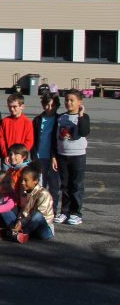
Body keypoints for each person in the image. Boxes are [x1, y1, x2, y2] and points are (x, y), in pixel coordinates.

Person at [56, 89, 91, 226]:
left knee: (76, 185)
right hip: (62, 155)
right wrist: (54, 155)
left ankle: (76, 213)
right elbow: (56, 137)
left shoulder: (84, 117)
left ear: (79, 102)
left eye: (72, 100)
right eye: (66, 100)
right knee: (64, 185)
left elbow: (84, 131)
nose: (68, 103)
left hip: (78, 155)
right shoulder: (61, 117)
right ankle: (65, 211)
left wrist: (81, 115)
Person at [31, 93, 61, 215]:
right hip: (39, 156)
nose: (50, 108)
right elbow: (33, 138)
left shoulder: (59, 119)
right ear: (43, 105)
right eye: (47, 105)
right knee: (40, 186)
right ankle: (40, 209)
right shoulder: (38, 120)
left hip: (53, 158)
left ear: (57, 106)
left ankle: (53, 209)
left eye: (53, 105)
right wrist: (33, 155)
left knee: (54, 186)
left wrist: (56, 155)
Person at [12, 165, 55, 243]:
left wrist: (22, 222)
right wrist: (19, 221)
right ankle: (14, 230)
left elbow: (40, 215)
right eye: (22, 180)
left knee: (37, 216)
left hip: (44, 230)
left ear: (35, 181)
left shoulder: (43, 194)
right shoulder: (24, 192)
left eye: (26, 180)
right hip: (29, 225)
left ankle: (24, 233)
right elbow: (23, 211)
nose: (22, 183)